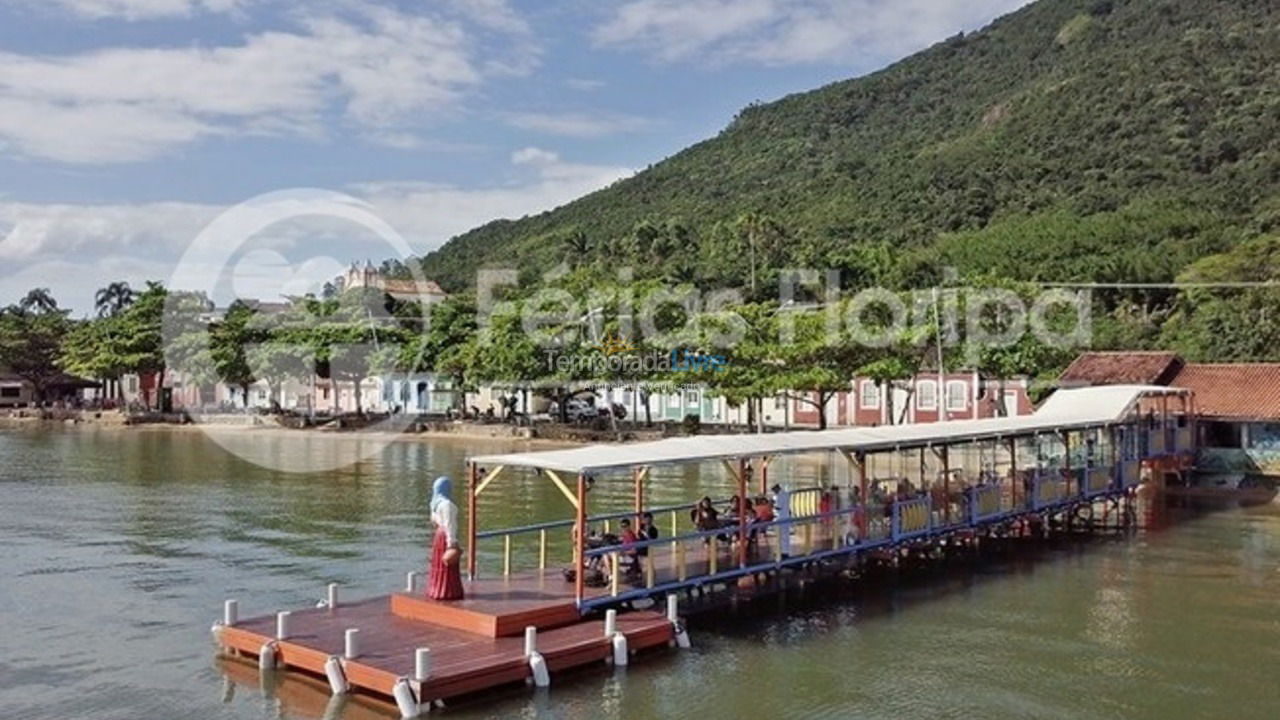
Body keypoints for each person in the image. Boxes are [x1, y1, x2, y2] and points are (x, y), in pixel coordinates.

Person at [426, 475, 464, 601]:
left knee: (438, 566)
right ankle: (448, 591)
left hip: (438, 535)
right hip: (445, 536)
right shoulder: (447, 505)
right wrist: (451, 543)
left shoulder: (435, 504)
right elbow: (450, 524)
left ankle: (436, 589)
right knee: (448, 565)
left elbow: (435, 522)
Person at [772, 483, 791, 557]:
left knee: (781, 536)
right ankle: (785, 551)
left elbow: (778, 507)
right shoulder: (786, 494)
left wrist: (772, 505)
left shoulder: (780, 496)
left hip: (781, 518)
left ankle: (782, 552)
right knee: (785, 536)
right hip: (786, 517)